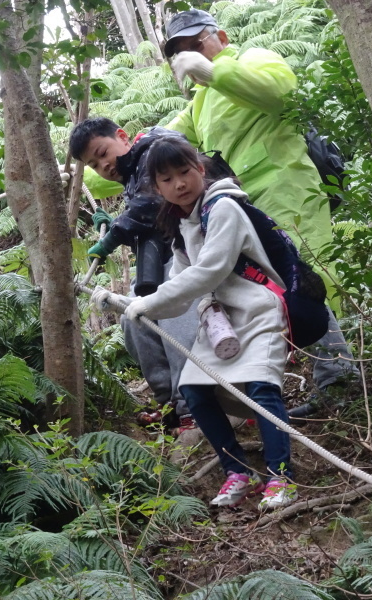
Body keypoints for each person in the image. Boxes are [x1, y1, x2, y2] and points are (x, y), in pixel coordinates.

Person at [92, 136, 297, 510]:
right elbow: (179, 294)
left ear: (201, 169)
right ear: (157, 187)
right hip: (219, 321)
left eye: (185, 172)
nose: (179, 184)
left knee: (262, 389)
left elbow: (210, 270)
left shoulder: (223, 209)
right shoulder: (182, 227)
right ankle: (237, 472)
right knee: (195, 390)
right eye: (167, 179)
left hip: (257, 310)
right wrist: (129, 305)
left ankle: (280, 477)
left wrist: (148, 302)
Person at [162, 9, 358, 394]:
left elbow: (277, 92)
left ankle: (342, 380)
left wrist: (212, 72)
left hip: (288, 188)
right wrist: (91, 170)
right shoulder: (199, 103)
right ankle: (332, 380)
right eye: (180, 51)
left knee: (308, 276)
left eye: (195, 43)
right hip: (246, 203)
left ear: (221, 36)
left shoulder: (255, 59)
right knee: (283, 284)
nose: (190, 54)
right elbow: (159, 147)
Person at [69, 117, 199, 432]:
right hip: (169, 256)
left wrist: (111, 236)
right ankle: (170, 402)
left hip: (193, 256)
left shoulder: (154, 151)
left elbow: (151, 204)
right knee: (132, 318)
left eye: (102, 152)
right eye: (94, 164)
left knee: (172, 321)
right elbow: (142, 207)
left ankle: (194, 407)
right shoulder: (134, 169)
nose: (103, 165)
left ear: (122, 136)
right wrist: (114, 220)